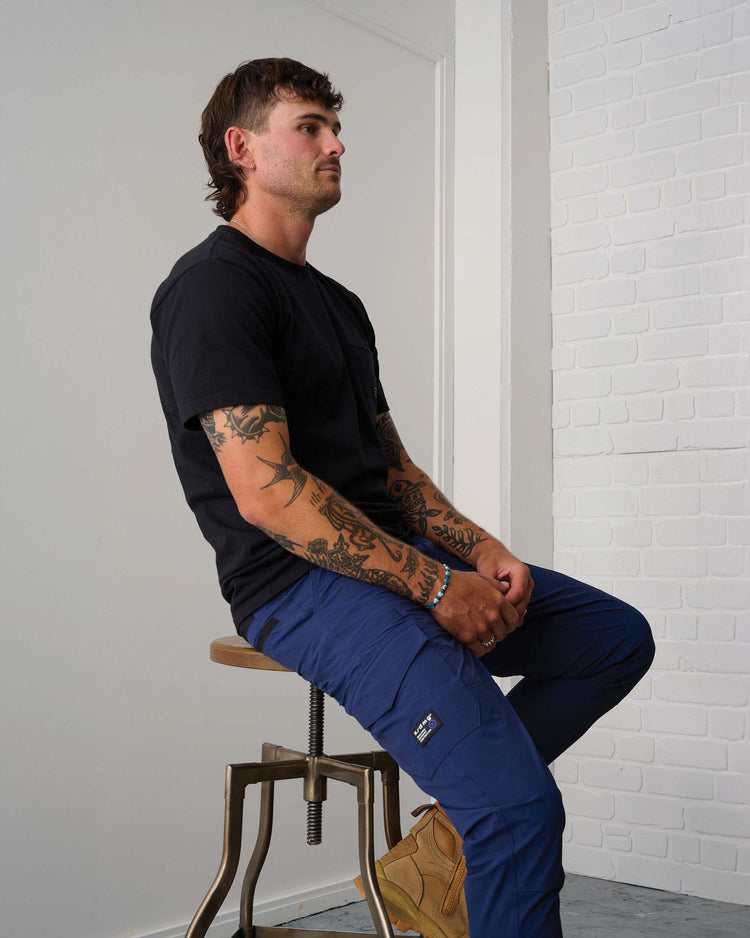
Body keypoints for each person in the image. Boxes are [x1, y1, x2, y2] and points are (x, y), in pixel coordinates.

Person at [150, 57, 655, 938]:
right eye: (310, 126)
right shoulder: (212, 288)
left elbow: (394, 472)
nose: (336, 144)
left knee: (613, 639)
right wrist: (434, 584)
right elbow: (267, 495)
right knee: (519, 812)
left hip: (396, 563)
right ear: (242, 149)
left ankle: (445, 839)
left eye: (335, 127)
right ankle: (488, 811)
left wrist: (482, 551)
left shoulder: (339, 305)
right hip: (296, 585)